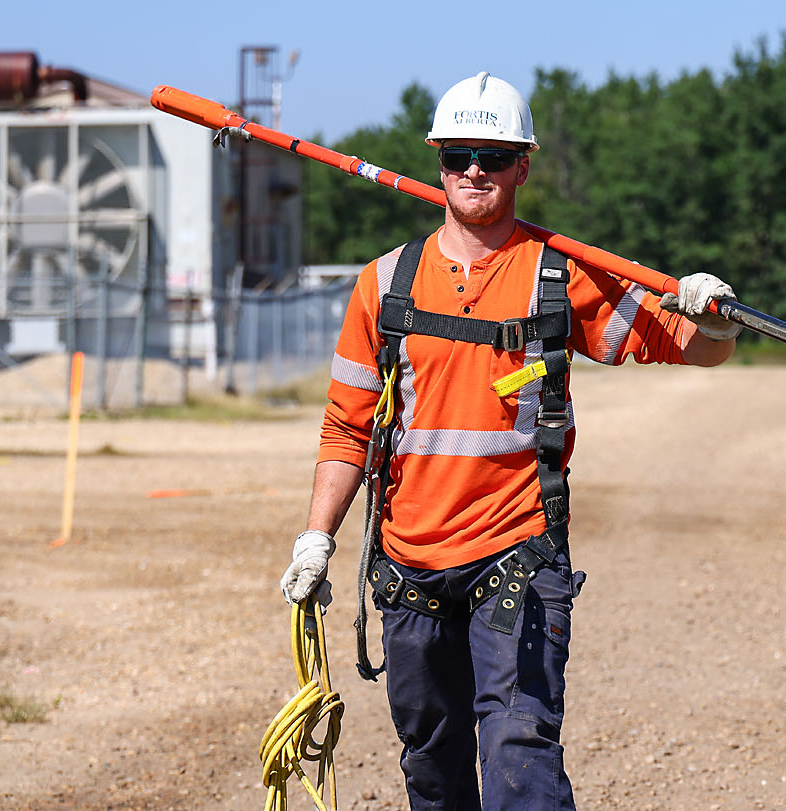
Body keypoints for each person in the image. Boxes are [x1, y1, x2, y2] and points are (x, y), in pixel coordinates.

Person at [280, 71, 739, 810]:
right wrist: (316, 538)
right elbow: (347, 428)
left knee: (520, 758)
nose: (474, 171)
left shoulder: (558, 275)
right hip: (410, 566)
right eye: (458, 154)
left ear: (521, 167)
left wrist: (713, 316)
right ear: (438, 162)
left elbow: (693, 346)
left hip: (516, 556)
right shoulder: (385, 284)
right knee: (432, 768)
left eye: (492, 156)